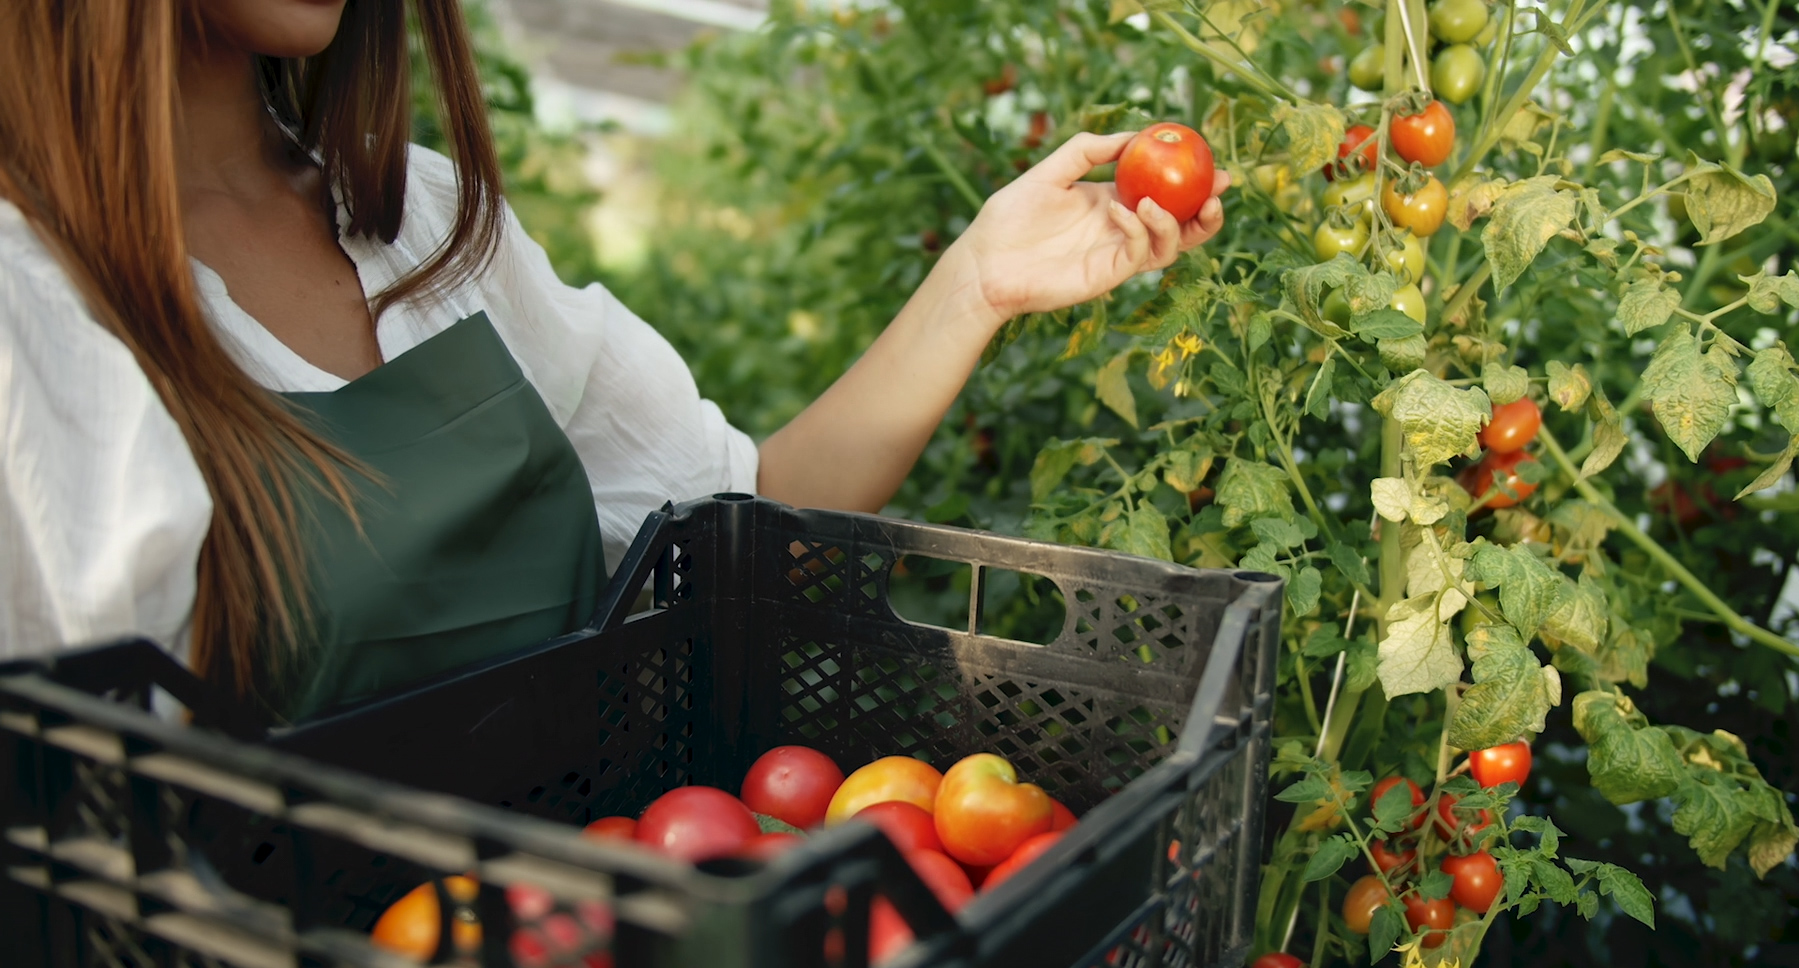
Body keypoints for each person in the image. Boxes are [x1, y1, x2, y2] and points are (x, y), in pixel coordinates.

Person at [0, 0, 1227, 725]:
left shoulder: (423, 226)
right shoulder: (28, 310)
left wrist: (976, 284)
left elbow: (739, 514)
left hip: (587, 928)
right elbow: (76, 867)